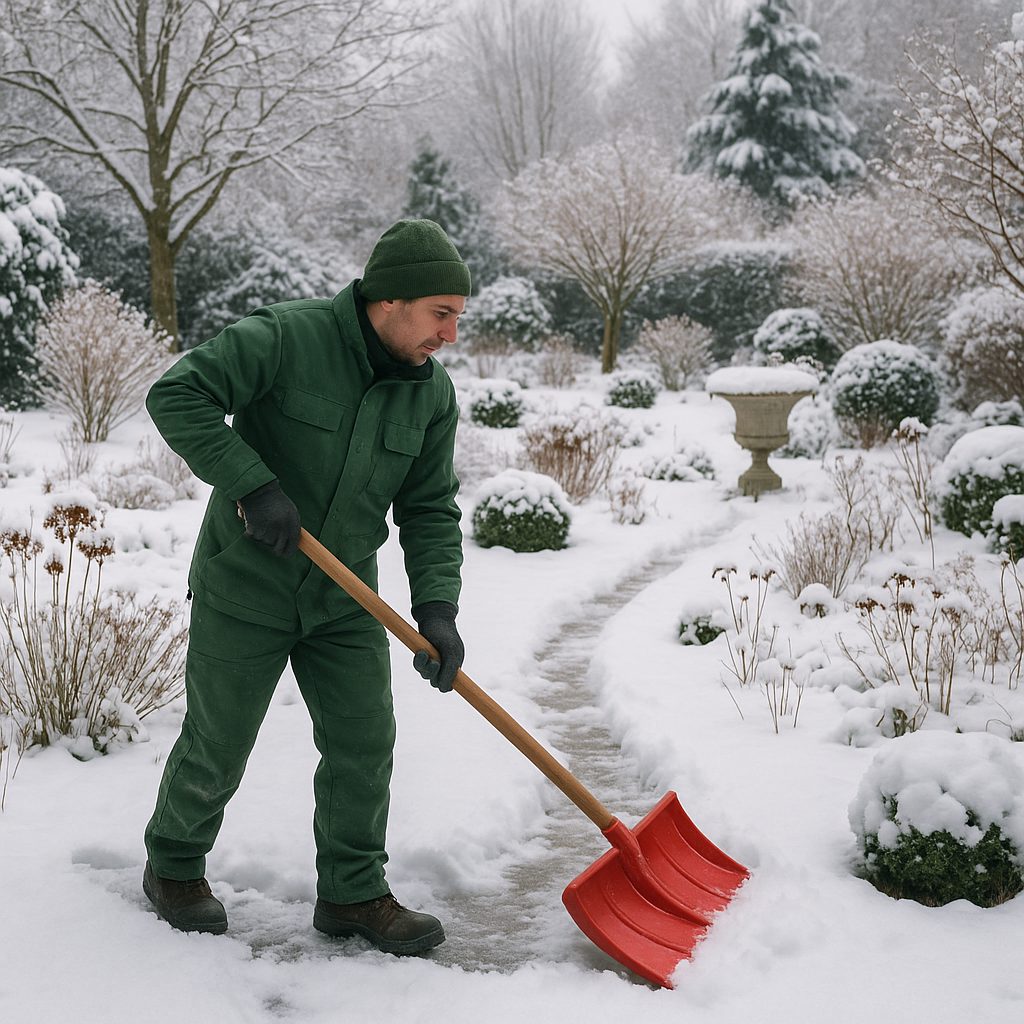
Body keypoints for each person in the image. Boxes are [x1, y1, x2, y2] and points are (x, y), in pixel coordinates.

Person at [141, 219, 470, 955]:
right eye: (441, 313)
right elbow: (178, 395)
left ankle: (353, 892)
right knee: (219, 741)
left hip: (344, 596)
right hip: (245, 585)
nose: (450, 334)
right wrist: (253, 485)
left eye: (456, 317)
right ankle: (174, 866)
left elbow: (429, 508)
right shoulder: (286, 339)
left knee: (364, 741)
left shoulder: (431, 397)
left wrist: (437, 609)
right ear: (390, 302)